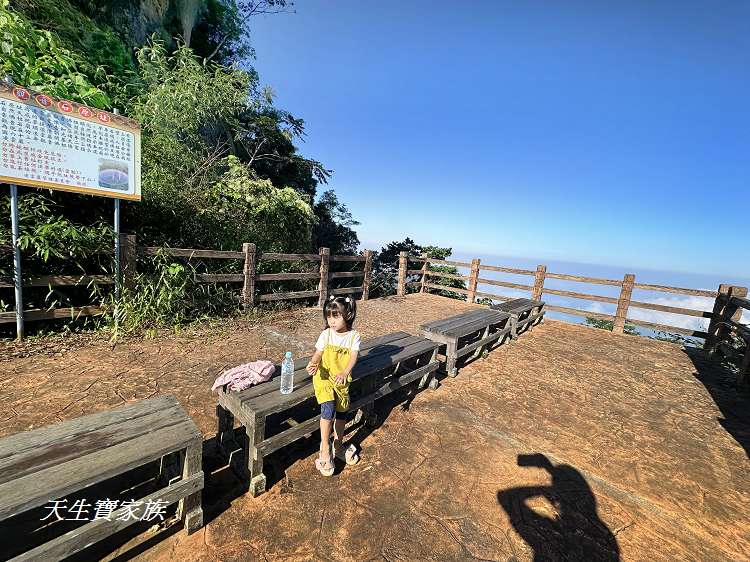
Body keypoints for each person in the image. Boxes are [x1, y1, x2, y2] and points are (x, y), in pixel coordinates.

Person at [306, 295, 362, 476]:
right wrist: (313, 363)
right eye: (329, 316)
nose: (331, 321)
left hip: (342, 380)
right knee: (328, 408)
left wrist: (345, 372)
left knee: (342, 413)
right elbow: (318, 353)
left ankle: (338, 445)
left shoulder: (354, 336)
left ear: (348, 315)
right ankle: (324, 447)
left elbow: (353, 356)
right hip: (324, 377)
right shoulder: (326, 334)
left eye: (336, 316)